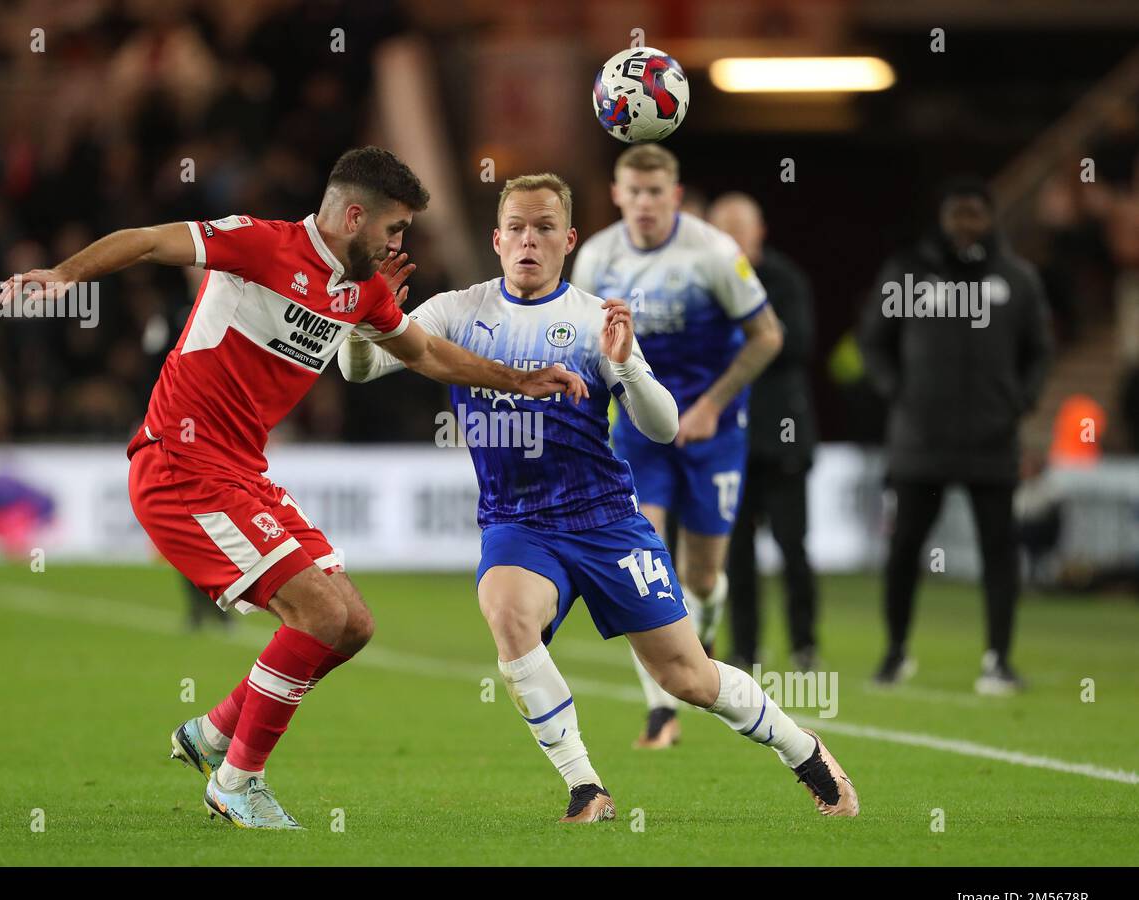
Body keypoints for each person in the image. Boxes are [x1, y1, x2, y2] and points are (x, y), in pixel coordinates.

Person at [0, 146, 588, 829]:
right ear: (355, 215)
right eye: (393, 230)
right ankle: (237, 781)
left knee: (354, 625)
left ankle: (215, 732)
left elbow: (423, 352)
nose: (400, 246)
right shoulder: (260, 244)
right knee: (318, 617)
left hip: (242, 475)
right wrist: (64, 275)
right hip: (179, 468)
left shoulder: (361, 289)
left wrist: (518, 378)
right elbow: (150, 241)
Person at [339, 173, 858, 822]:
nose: (530, 239)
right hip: (518, 524)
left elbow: (663, 427)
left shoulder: (593, 320)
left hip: (607, 522)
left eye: (545, 228)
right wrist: (370, 315)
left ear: (569, 240)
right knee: (507, 612)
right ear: (497, 240)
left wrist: (630, 364)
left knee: (688, 678)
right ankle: (587, 787)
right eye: (518, 229)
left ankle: (803, 750)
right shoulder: (454, 313)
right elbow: (356, 368)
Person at [570, 145, 785, 749]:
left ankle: (705, 630)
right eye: (632, 192)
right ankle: (661, 712)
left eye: (655, 192)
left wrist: (713, 404)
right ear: (616, 194)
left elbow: (768, 336)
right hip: (640, 435)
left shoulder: (714, 253)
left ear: (676, 195)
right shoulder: (596, 258)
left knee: (703, 574)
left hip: (713, 437)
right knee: (646, 565)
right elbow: (584, 344)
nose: (643, 204)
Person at [860, 176, 1053, 695]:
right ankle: (895, 653)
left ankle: (998, 660)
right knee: (904, 550)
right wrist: (897, 390)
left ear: (990, 219)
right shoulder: (907, 273)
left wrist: (1021, 400)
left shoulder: (1018, 279)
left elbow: (1040, 348)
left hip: (992, 441)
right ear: (942, 220)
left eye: (975, 214)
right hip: (919, 442)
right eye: (956, 214)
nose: (965, 225)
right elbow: (872, 340)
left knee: (999, 550)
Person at [707, 192, 820, 672]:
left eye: (740, 230)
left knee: (793, 546)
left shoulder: (784, 280)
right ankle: (746, 649)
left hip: (782, 439)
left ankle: (804, 645)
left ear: (760, 233)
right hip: (728, 443)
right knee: (737, 556)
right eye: (723, 230)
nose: (732, 239)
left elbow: (796, 343)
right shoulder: (702, 284)